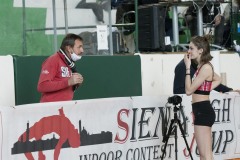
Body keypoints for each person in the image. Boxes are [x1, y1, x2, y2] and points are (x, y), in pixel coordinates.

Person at [184, 35, 222, 160]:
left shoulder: (205, 67)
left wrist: (188, 67)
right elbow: (218, 79)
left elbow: (189, 90)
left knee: (205, 155)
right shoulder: (203, 66)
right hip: (201, 110)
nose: (189, 51)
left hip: (203, 110)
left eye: (191, 48)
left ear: (200, 50)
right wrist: (204, 90)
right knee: (205, 155)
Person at [37, 33, 84, 103]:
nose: (82, 50)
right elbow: (42, 86)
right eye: (79, 47)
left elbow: (63, 85)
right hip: (51, 109)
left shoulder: (69, 63)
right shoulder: (53, 60)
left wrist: (75, 83)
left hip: (63, 108)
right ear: (69, 48)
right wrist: (68, 82)